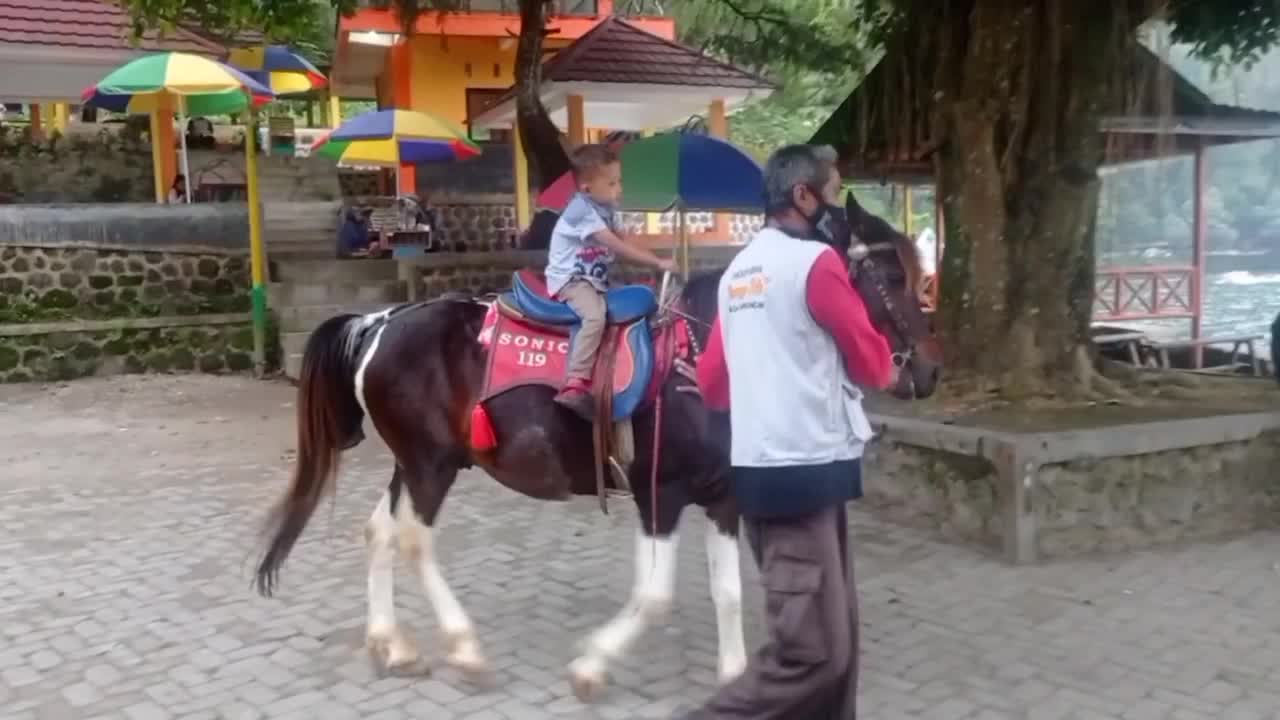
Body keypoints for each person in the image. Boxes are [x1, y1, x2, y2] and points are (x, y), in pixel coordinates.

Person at [684, 144, 895, 720]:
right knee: (812, 654)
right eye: (833, 191)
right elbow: (875, 365)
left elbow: (714, 385)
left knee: (839, 643)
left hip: (770, 475)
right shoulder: (814, 265)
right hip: (805, 471)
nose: (838, 205)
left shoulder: (737, 274)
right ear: (803, 196)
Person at [545, 143, 677, 420]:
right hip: (572, 281)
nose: (619, 189)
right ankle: (575, 380)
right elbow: (617, 246)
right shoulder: (580, 210)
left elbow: (628, 239)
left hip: (597, 281)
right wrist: (656, 262)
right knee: (595, 316)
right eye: (612, 183)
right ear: (587, 188)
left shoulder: (607, 209)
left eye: (620, 182)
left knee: (637, 302)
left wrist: (660, 255)